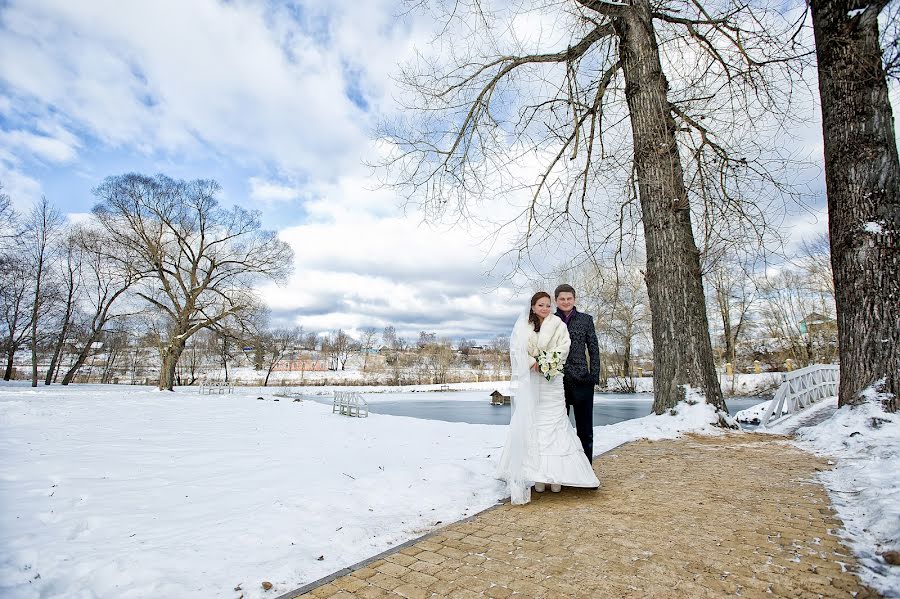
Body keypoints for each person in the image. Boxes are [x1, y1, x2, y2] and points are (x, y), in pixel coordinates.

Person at [497, 292, 599, 505]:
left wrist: (546, 363)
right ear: (533, 307)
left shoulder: (558, 324)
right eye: (540, 305)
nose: (544, 308)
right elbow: (516, 350)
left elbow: (564, 347)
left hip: (552, 381)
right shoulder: (523, 326)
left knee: (555, 423)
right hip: (532, 381)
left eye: (547, 305)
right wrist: (531, 362)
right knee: (535, 424)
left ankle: (558, 477)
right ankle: (537, 476)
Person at [554, 284, 600, 463]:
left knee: (585, 430)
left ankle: (586, 470)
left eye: (569, 299)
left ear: (574, 299)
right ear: (556, 300)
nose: (566, 302)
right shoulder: (550, 319)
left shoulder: (586, 320)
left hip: (582, 381)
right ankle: (562, 468)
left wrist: (593, 376)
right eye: (562, 299)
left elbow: (594, 349)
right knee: (558, 429)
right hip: (557, 382)